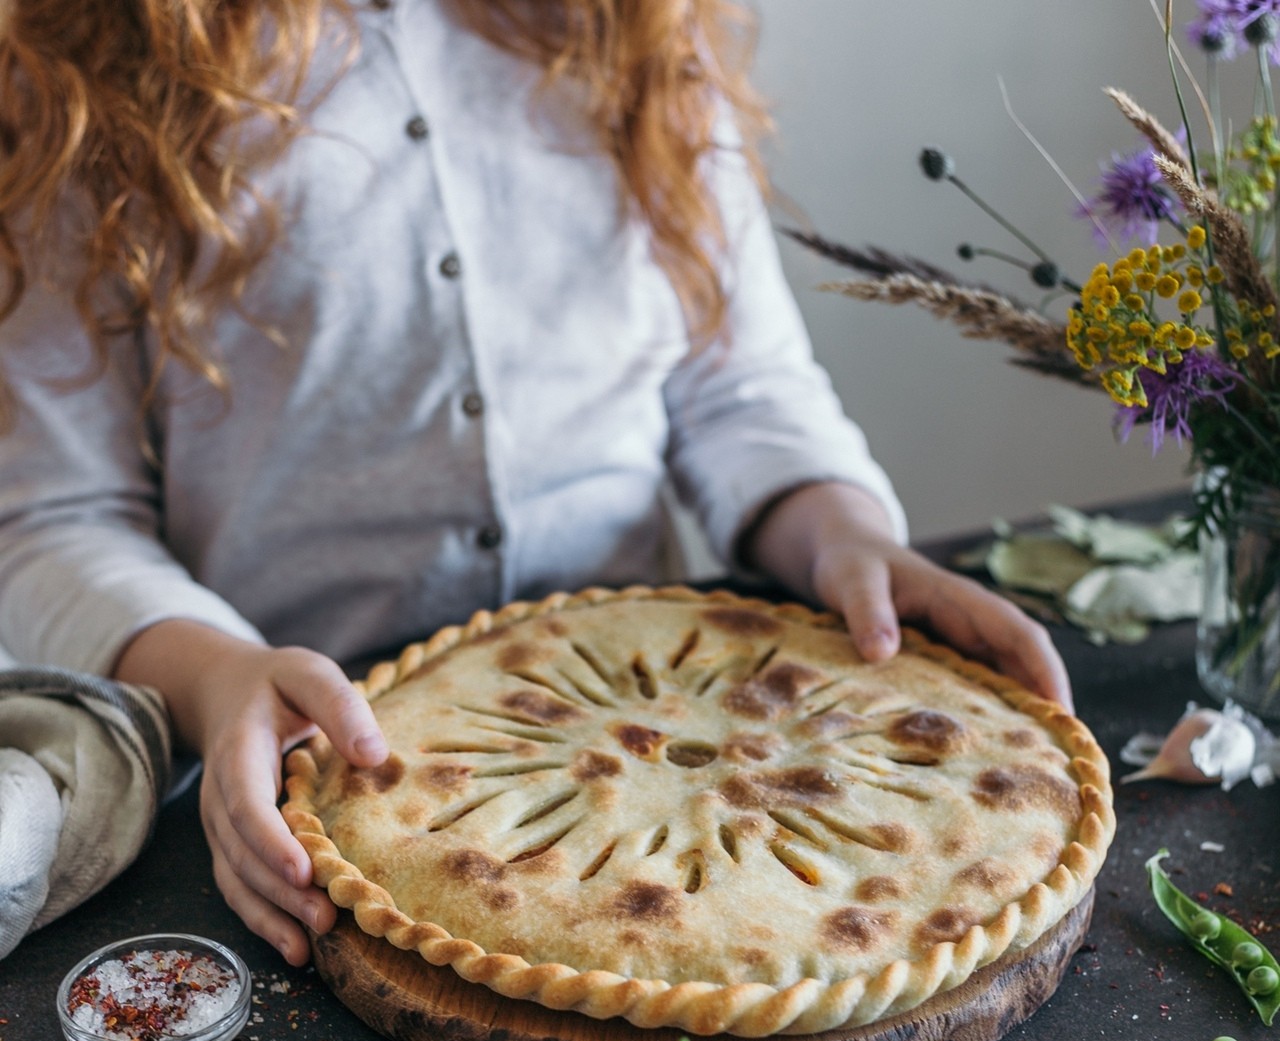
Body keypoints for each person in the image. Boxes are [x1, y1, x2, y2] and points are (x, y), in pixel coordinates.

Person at [0, 0, 1071, 965]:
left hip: (668, 738)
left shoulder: (640, 26)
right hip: (310, 758)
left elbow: (733, 387)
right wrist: (215, 674)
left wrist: (845, 532)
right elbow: (53, 521)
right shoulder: (85, 71)